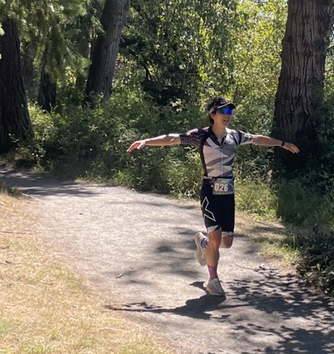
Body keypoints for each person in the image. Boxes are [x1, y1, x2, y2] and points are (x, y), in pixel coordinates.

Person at [127, 97, 300, 296]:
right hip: (209, 191)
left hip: (228, 193)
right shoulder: (201, 135)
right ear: (213, 114)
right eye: (223, 112)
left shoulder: (235, 136)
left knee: (226, 242)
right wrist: (146, 142)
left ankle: (203, 244)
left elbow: (258, 139)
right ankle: (213, 281)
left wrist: (282, 144)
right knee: (216, 237)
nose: (228, 116)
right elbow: (173, 138)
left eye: (230, 112)